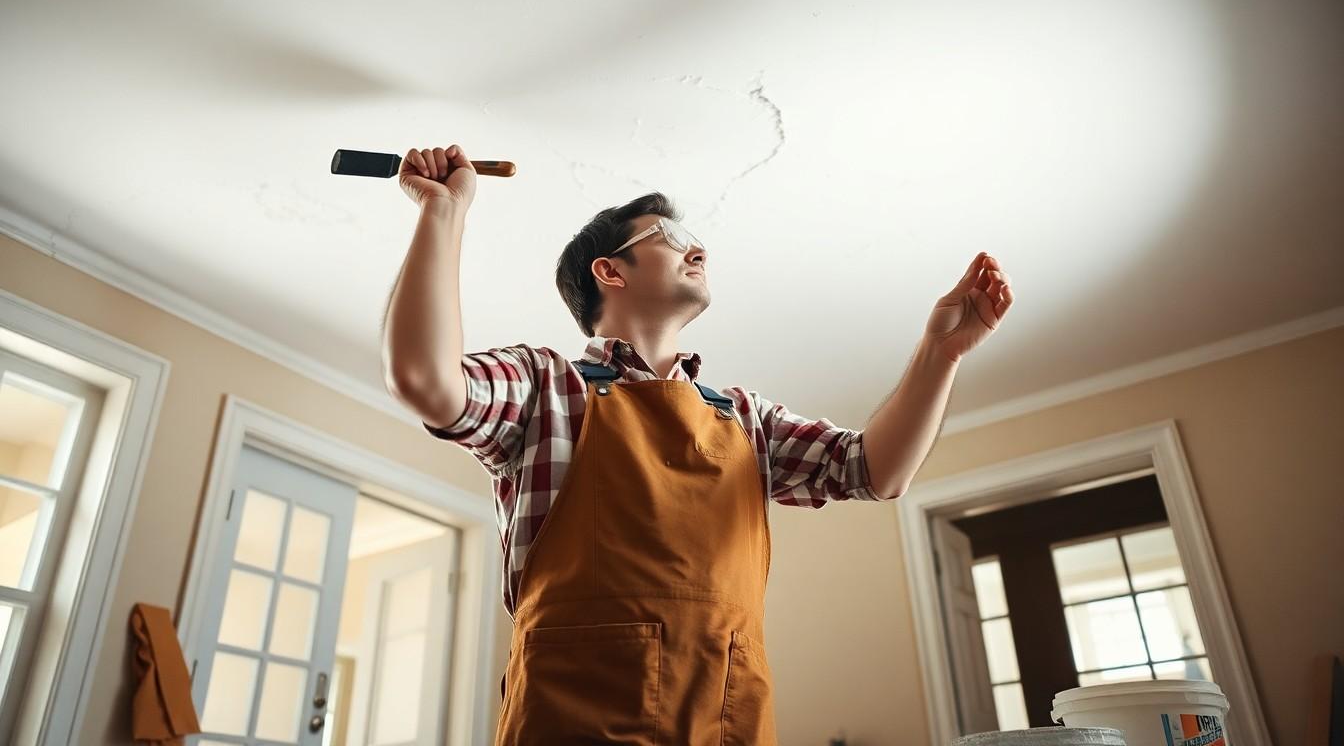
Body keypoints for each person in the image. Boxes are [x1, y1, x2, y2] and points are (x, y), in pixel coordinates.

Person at [381, 144, 1014, 746]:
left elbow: (877, 470)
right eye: (671, 239)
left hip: (727, 721)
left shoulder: (744, 418)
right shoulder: (548, 386)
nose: (699, 250)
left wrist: (941, 351)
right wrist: (444, 210)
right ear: (609, 271)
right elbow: (425, 379)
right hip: (573, 723)